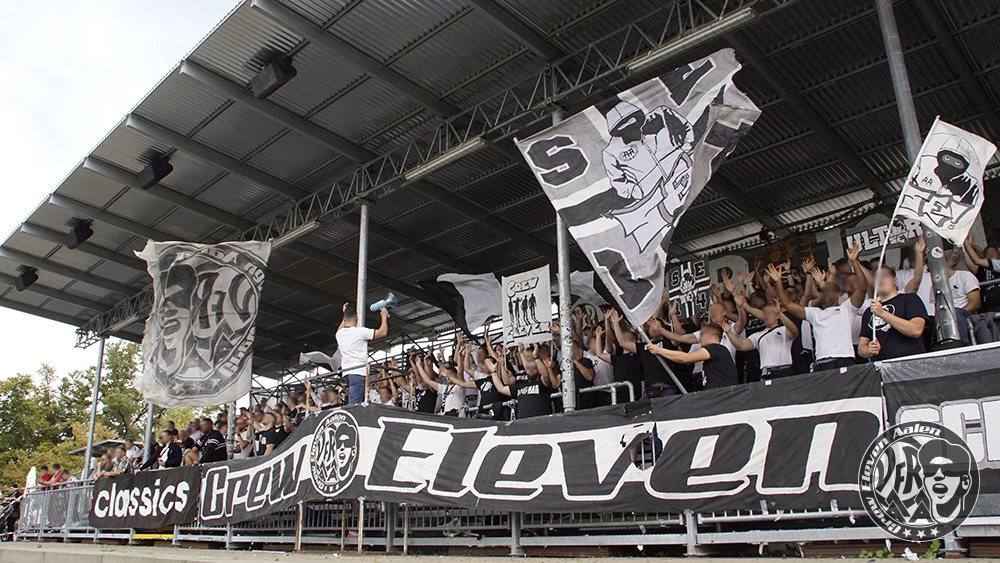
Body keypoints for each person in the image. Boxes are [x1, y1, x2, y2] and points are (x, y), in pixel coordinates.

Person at [771, 242, 868, 371]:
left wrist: (854, 262)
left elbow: (862, 288)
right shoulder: (815, 313)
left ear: (838, 294)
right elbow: (787, 304)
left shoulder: (847, 309)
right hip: (821, 363)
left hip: (843, 360)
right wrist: (778, 282)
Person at [906, 241, 980, 343]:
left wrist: (953, 316)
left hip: (965, 317)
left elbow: (976, 303)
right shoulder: (935, 285)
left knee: (957, 314)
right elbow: (937, 309)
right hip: (945, 320)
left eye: (930, 265)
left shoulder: (965, 276)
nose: (929, 269)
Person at [858, 267, 928, 361]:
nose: (880, 279)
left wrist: (883, 313)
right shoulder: (869, 311)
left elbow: (916, 330)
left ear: (895, 280)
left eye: (885, 275)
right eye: (876, 277)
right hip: (882, 365)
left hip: (910, 361)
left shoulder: (909, 299)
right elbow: (861, 347)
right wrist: (869, 350)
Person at [647, 323, 738, 390]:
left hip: (722, 395)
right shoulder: (718, 350)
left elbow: (686, 358)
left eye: (702, 335)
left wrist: (659, 350)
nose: (700, 339)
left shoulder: (716, 348)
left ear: (710, 335)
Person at [731, 297, 799, 379]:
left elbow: (794, 331)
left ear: (777, 315)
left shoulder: (784, 330)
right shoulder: (758, 335)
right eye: (765, 313)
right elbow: (740, 346)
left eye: (770, 313)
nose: (767, 315)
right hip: (767, 374)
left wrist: (780, 313)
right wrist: (728, 332)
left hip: (784, 371)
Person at [491, 342, 559, 419]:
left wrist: (535, 357)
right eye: (528, 368)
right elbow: (501, 388)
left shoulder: (542, 384)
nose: (530, 369)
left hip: (540, 421)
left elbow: (545, 376)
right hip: (523, 423)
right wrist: (494, 372)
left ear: (539, 371)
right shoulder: (519, 386)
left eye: (533, 367)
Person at [963, 239, 1000, 313]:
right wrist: (967, 241)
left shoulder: (998, 264)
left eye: (993, 252)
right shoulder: (980, 268)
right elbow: (967, 257)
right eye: (988, 253)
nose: (991, 254)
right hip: (985, 305)